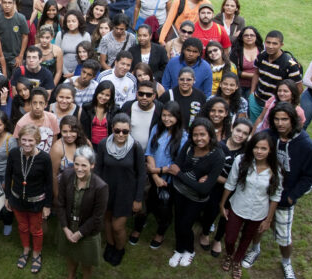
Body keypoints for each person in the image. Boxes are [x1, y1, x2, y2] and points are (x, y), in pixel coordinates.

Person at [241, 103, 312, 279]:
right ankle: (255, 249)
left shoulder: (306, 145)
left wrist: (291, 197)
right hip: (262, 194)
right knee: (258, 225)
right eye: (277, 119)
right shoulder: (270, 137)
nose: (280, 123)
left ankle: (286, 262)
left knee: (283, 235)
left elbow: (309, 177)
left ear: (293, 120)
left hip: (285, 199)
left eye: (285, 119)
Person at [219, 131, 283, 279]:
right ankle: (229, 254)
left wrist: (268, 220)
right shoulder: (241, 161)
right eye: (256, 147)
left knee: (247, 238)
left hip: (258, 211)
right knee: (230, 238)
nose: (259, 152)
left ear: (270, 150)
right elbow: (230, 183)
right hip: (238, 206)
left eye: (263, 149)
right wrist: (222, 204)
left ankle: (237, 261)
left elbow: (275, 196)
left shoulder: (276, 170)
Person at [166, 118, 225, 268]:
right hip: (179, 191)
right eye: (195, 135)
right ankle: (179, 249)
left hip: (196, 198)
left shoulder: (217, 156)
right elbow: (177, 164)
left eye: (202, 134)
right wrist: (183, 175)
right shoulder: (189, 145)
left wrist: (180, 175)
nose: (199, 138)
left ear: (210, 135)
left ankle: (190, 250)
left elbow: (204, 189)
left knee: (186, 224)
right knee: (179, 222)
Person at [54, 146, 109, 279]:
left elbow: (97, 217)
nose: (79, 168)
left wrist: (79, 234)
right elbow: (61, 204)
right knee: (69, 253)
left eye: (84, 165)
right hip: (68, 225)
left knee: (86, 260)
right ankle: (71, 277)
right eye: (76, 164)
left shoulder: (101, 186)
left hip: (88, 231)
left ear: (92, 165)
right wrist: (65, 228)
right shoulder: (66, 176)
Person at [94, 113, 146, 266]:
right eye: (117, 131)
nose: (121, 134)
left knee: (118, 226)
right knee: (107, 220)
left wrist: (138, 199)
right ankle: (110, 245)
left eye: (125, 131)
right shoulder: (104, 144)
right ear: (112, 129)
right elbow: (98, 169)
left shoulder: (136, 147)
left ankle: (119, 249)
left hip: (126, 192)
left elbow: (142, 174)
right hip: (107, 190)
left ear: (129, 131)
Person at [136, 101, 188, 249]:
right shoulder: (157, 129)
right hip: (154, 177)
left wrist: (156, 172)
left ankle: (160, 232)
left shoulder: (183, 137)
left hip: (169, 181)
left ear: (177, 117)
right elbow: (149, 153)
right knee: (147, 203)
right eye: (164, 115)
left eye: (170, 116)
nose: (167, 119)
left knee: (164, 209)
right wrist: (155, 176)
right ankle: (138, 227)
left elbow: (177, 165)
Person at [201, 117, 253, 258]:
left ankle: (218, 239)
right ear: (232, 128)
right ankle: (205, 233)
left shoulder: (247, 153)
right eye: (238, 130)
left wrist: (228, 183)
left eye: (245, 133)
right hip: (215, 187)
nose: (240, 135)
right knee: (211, 210)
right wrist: (223, 180)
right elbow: (208, 168)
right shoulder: (218, 146)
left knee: (227, 214)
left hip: (234, 191)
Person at [5, 124, 53, 274]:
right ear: (19, 140)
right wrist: (7, 197)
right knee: (22, 227)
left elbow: (49, 183)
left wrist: (47, 205)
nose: (26, 144)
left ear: (37, 140)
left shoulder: (44, 158)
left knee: (36, 229)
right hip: (17, 200)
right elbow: (8, 176)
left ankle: (36, 254)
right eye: (23, 140)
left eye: (30, 141)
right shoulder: (13, 154)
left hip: (36, 202)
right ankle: (26, 249)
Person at [249, 30, 303, 121]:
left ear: (281, 45)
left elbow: (299, 88)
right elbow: (256, 73)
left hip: (275, 106)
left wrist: (285, 103)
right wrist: (252, 93)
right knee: (254, 127)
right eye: (268, 42)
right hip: (256, 100)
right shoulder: (261, 55)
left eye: (275, 44)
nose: (270, 46)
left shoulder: (289, 65)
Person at [0, 0, 30, 77]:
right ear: (1, 4)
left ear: (13, 4)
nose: (7, 5)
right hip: (3, 57)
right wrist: (1, 56)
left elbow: (25, 37)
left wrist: (21, 56)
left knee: (17, 81)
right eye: (4, 3)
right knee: (4, 81)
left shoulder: (21, 18)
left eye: (9, 3)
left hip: (16, 57)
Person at [13, 88, 59, 153]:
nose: (37, 106)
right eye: (34, 103)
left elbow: (54, 140)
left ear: (46, 104)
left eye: (41, 103)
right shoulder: (21, 123)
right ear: (30, 104)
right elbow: (20, 145)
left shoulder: (52, 118)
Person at [120, 80, 162, 150]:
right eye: (141, 94)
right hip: (129, 152)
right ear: (136, 94)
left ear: (154, 96)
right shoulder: (127, 107)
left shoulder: (160, 109)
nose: (144, 97)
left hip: (151, 153)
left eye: (148, 95)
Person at [49, 114, 90, 185]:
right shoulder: (57, 148)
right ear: (60, 131)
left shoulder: (86, 143)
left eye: (72, 131)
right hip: (64, 188)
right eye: (65, 131)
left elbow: (91, 168)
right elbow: (53, 175)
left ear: (78, 131)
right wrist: (56, 195)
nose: (68, 135)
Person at [80, 80, 117, 147]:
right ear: (97, 92)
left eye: (107, 95)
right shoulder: (87, 107)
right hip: (90, 145)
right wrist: (87, 142)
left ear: (111, 97)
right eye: (101, 93)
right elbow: (82, 128)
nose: (103, 97)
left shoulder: (115, 110)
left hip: (108, 146)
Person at [56, 10, 91, 80]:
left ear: (79, 22)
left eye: (73, 21)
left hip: (80, 71)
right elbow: (57, 55)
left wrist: (75, 73)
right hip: (62, 72)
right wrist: (65, 72)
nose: (71, 23)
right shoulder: (61, 34)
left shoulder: (86, 35)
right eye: (68, 21)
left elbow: (88, 55)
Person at [230, 25, 263, 99]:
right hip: (238, 85)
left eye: (252, 35)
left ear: (256, 37)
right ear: (242, 37)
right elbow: (233, 71)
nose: (249, 37)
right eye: (246, 35)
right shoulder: (236, 51)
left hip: (257, 86)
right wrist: (255, 76)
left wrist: (245, 74)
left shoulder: (262, 51)